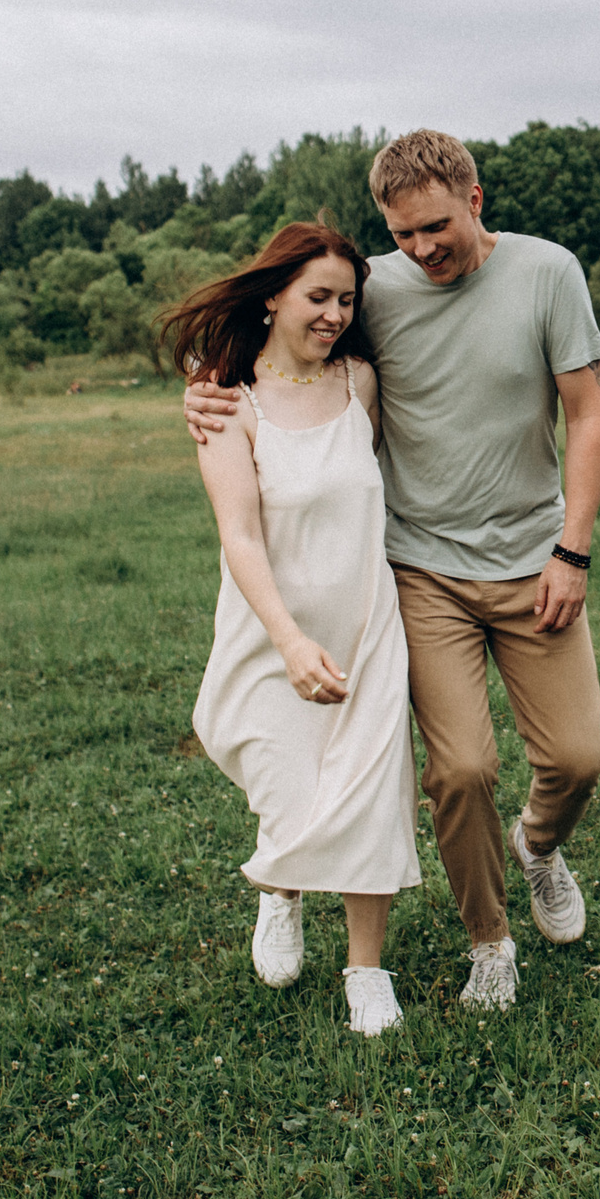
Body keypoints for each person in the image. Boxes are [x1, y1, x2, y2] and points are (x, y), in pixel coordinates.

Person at [185, 129, 600, 1012]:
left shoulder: (548, 273)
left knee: (577, 758)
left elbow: (589, 412)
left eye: (435, 227)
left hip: (535, 562)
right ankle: (490, 943)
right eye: (402, 233)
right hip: (421, 571)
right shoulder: (372, 288)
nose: (420, 249)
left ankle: (538, 845)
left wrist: (572, 550)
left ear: (475, 201)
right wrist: (205, 380)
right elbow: (291, 331)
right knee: (459, 772)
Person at [161, 223, 422, 1037]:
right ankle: (282, 886)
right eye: (318, 296)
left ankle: (366, 970)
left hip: (365, 623)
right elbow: (239, 535)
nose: (335, 314)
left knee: (370, 794)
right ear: (273, 294)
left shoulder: (359, 383)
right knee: (289, 785)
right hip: (269, 629)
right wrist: (289, 640)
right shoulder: (226, 401)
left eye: (346, 299)